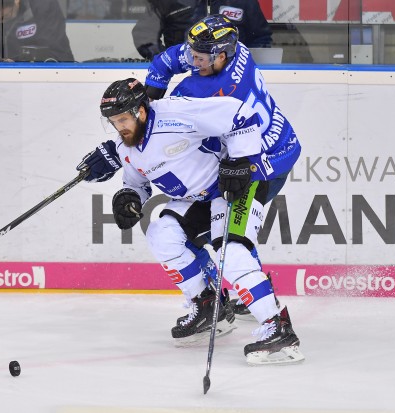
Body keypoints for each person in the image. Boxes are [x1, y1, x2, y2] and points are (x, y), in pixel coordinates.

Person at [82, 15, 301, 318]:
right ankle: (220, 297)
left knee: (231, 239)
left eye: (200, 57)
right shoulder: (234, 52)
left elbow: (162, 130)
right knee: (195, 234)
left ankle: (265, 304)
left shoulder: (208, 91)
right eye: (194, 53)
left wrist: (131, 130)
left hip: (264, 159)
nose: (193, 59)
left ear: (221, 55)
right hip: (268, 139)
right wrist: (149, 96)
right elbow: (163, 63)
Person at [81, 77, 304, 365]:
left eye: (123, 118)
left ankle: (279, 329)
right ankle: (209, 305)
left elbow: (242, 114)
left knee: (231, 252)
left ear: (141, 111)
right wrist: (129, 197)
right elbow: (137, 183)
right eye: (113, 121)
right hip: (200, 198)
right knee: (161, 234)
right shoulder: (127, 147)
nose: (119, 126)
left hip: (235, 186)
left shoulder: (176, 114)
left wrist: (240, 161)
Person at [132, 0, 272, 61]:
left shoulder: (243, 1)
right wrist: (170, 61)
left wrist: (242, 64)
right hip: (184, 76)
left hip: (232, 77)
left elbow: (261, 38)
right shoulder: (169, 1)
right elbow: (143, 36)